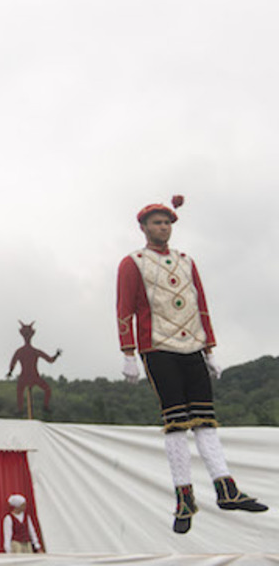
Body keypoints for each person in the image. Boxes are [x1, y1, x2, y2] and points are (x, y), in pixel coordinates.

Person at [117, 198, 268, 534]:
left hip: (193, 346)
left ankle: (225, 487)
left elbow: (202, 305)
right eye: (156, 223)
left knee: (206, 421)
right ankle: (184, 497)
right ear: (143, 227)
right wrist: (128, 353)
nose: (163, 227)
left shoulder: (187, 261)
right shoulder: (132, 263)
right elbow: (124, 307)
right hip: (157, 346)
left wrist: (210, 348)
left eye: (167, 222)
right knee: (176, 422)